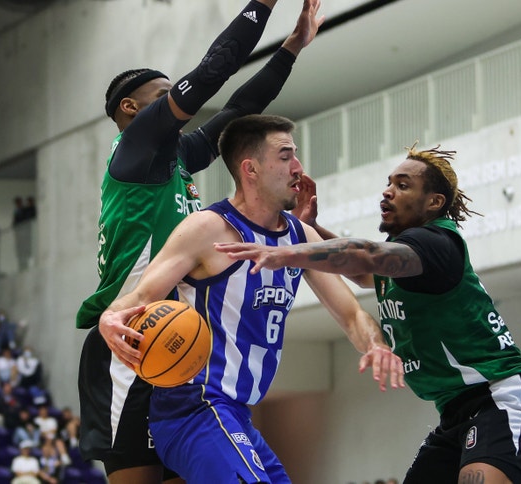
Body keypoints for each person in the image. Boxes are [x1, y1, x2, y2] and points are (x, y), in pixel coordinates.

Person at [75, 1, 327, 483]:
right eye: (164, 95)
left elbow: (239, 110)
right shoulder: (137, 149)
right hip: (130, 334)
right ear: (131, 107)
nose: (178, 102)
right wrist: (264, 6)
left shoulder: (177, 159)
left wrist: (292, 48)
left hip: (179, 332)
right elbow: (214, 72)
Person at [217, 144, 521, 483]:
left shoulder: (438, 245)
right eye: (389, 182)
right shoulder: (407, 261)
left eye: (403, 185)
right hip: (454, 411)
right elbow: (364, 273)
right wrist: (314, 229)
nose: (388, 191)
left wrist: (288, 251)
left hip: (500, 396)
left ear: (434, 202)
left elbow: (367, 256)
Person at [100, 114, 403, 483]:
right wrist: (110, 318)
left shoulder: (299, 235)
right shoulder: (206, 228)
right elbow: (141, 295)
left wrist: (375, 345)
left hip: (237, 413)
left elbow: (352, 313)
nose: (298, 167)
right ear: (251, 169)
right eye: (286, 155)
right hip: (194, 405)